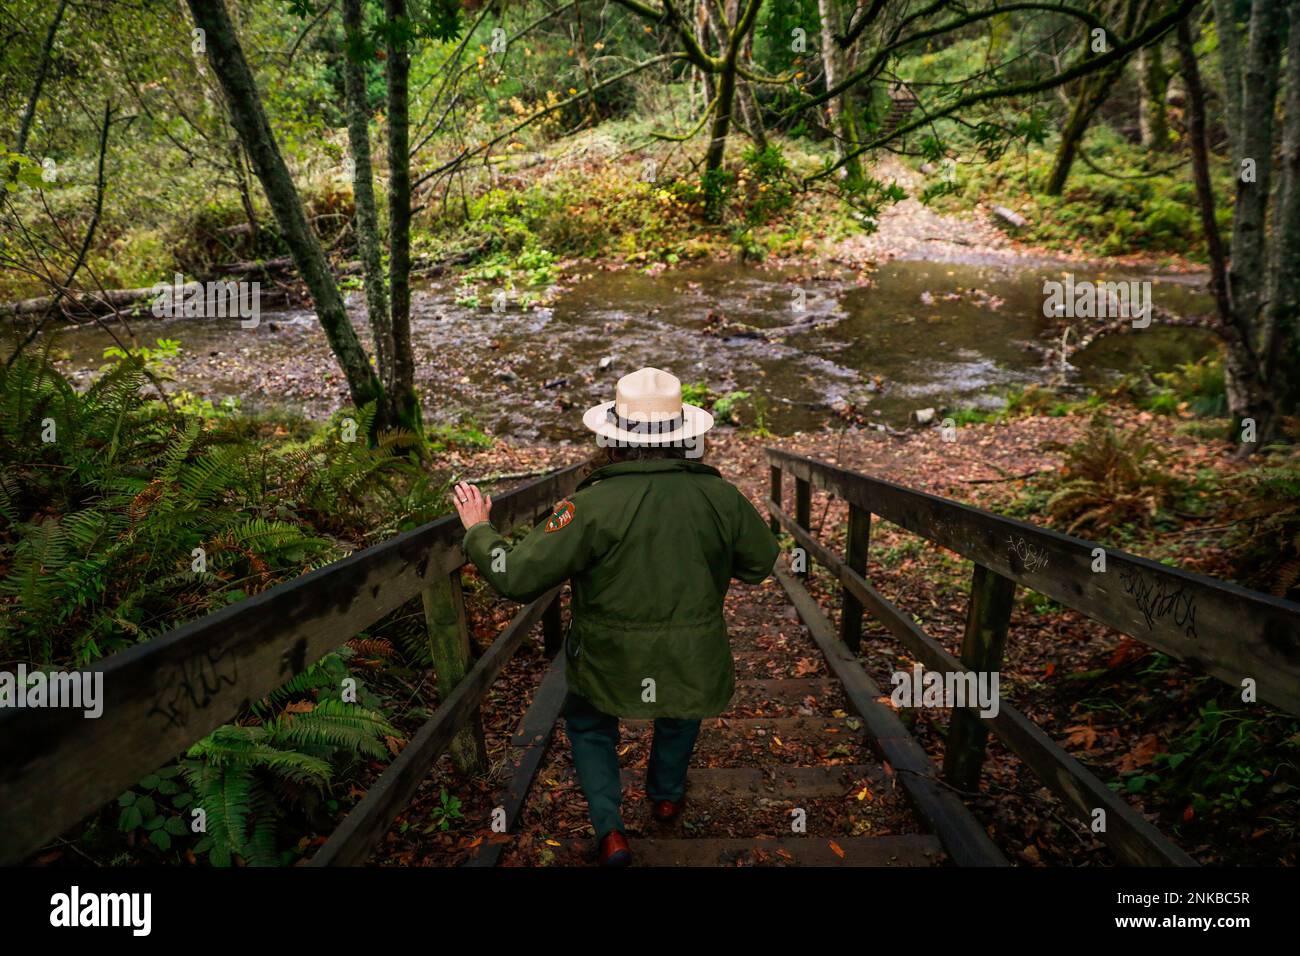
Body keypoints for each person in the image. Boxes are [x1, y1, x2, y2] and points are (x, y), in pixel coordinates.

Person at [451, 366, 780, 866]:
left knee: (589, 724)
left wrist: (479, 530)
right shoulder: (721, 498)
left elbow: (515, 576)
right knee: (681, 705)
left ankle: (611, 832)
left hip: (608, 654)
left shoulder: (588, 506)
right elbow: (760, 563)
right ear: (684, 438)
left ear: (613, 438)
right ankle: (666, 795)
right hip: (691, 651)